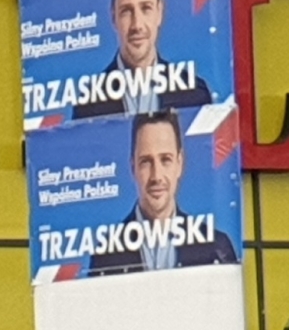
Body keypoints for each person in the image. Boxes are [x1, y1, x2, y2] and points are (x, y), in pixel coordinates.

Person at [88, 112, 238, 275]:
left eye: (165, 159)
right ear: (133, 168)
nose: (156, 176)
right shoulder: (107, 253)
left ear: (179, 164)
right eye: (146, 162)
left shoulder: (216, 247)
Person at [74, 0, 213, 121]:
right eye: (126, 11)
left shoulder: (194, 94)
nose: (137, 25)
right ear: (114, 18)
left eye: (146, 8)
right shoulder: (90, 102)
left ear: (159, 12)